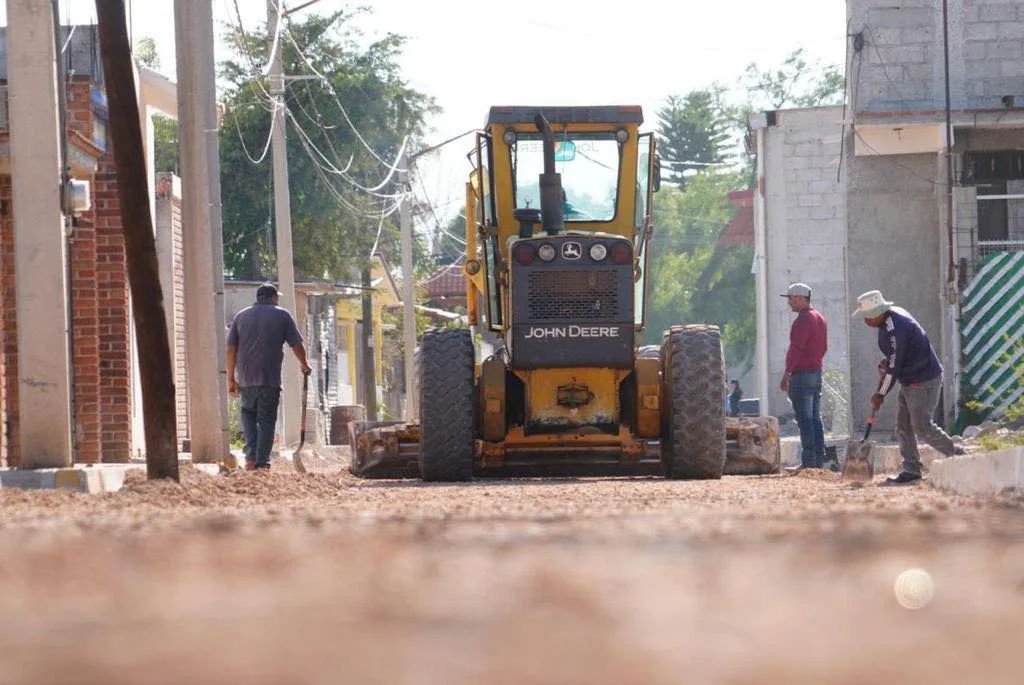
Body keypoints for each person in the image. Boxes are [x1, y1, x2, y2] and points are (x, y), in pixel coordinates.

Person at [852, 289, 963, 485]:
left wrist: (880, 393)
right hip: (910, 379)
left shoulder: (896, 328)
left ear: (877, 312)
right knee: (903, 427)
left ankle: (958, 456)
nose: (865, 322)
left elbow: (894, 366)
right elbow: (895, 359)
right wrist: (886, 365)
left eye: (867, 317)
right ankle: (911, 470)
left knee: (922, 426)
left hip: (923, 380)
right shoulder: (887, 322)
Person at [227, 283, 312, 471]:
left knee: (248, 414)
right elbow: (296, 345)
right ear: (273, 298)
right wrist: (304, 364)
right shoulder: (282, 315)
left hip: (247, 379)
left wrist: (231, 378)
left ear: (258, 297)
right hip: (269, 379)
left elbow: (231, 350)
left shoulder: (240, 317)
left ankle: (250, 458)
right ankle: (261, 462)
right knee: (266, 420)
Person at [780, 283, 828, 470]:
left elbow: (796, 348)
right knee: (815, 418)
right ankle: (818, 460)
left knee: (804, 419)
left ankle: (808, 462)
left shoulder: (803, 320)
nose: (790, 303)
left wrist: (787, 373)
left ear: (801, 298)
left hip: (802, 376)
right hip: (816, 373)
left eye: (791, 298)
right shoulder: (819, 318)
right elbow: (823, 347)